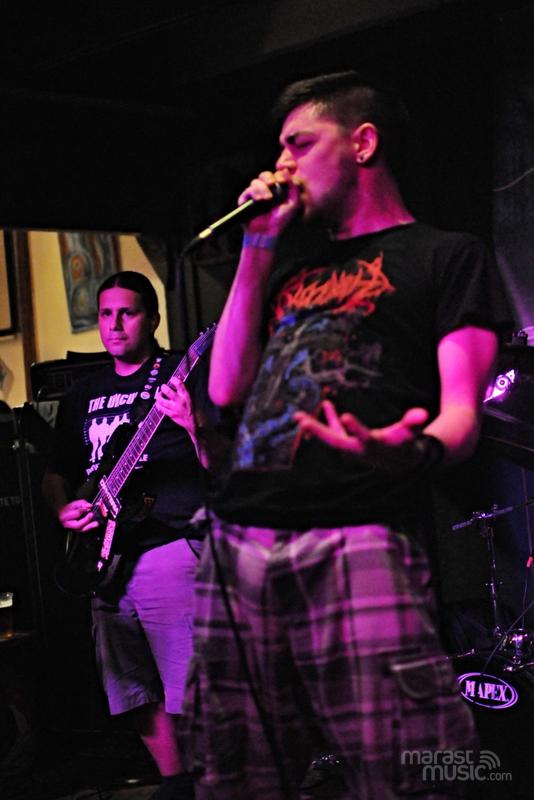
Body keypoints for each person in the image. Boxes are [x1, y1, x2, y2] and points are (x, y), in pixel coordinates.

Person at [180, 72, 511, 799]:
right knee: (234, 771)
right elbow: (226, 388)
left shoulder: (446, 255)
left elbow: (463, 410)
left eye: (299, 144)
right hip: (238, 541)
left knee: (411, 767)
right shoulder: (290, 271)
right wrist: (256, 248)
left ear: (362, 143)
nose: (282, 164)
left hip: (357, 532)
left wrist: (414, 449)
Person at [43, 271, 223, 800]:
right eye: (105, 314)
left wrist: (192, 423)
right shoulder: (85, 393)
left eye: (128, 312)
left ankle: (215, 780)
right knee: (132, 686)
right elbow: (56, 472)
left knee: (191, 682)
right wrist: (64, 509)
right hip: (103, 556)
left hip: (168, 543)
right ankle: (175, 782)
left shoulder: (181, 373)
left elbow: (225, 463)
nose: (115, 324)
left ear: (153, 318)